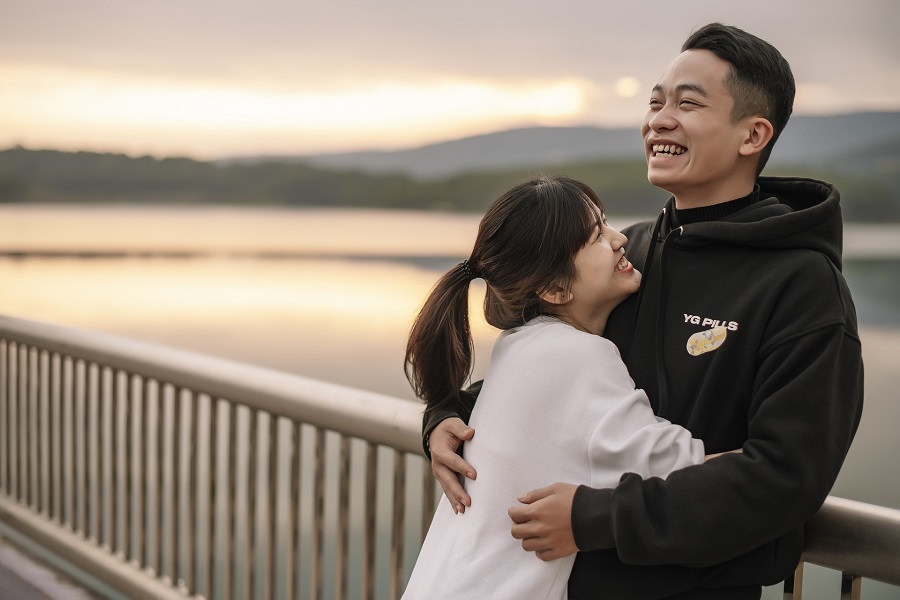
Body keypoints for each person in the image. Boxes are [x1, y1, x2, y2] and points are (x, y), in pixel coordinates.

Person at [424, 23, 864, 600]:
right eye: (655, 101)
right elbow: (548, 374)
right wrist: (444, 421)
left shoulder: (801, 285)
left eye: (688, 103)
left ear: (752, 134)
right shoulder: (626, 256)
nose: (659, 119)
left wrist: (596, 518)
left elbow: (786, 477)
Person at [402, 175, 709, 599]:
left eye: (606, 224)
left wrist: (438, 416)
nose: (620, 239)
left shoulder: (520, 344)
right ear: (555, 287)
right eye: (596, 237)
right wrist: (769, 462)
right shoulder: (579, 356)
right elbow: (681, 466)